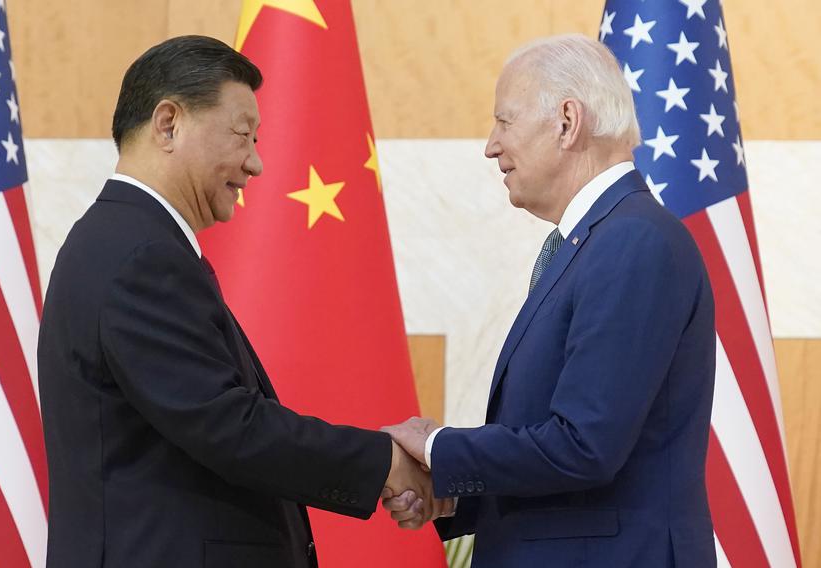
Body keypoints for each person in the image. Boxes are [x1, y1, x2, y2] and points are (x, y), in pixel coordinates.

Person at [37, 35, 433, 568]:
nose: (256, 164)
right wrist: (383, 461)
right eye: (242, 136)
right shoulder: (139, 254)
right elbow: (228, 426)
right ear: (168, 123)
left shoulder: (130, 241)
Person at [382, 34, 717, 567]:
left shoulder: (633, 242)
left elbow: (585, 446)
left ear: (567, 121)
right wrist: (455, 493)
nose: (491, 146)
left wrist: (437, 446)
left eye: (504, 121)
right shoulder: (596, 241)